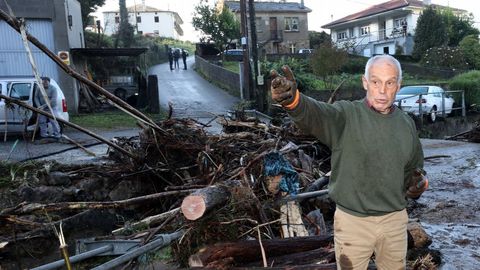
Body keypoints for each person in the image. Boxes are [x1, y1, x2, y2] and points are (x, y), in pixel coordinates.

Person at [270, 54, 428, 270]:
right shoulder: (346, 116)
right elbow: (317, 114)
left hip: (394, 221)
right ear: (365, 83)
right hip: (353, 222)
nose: (382, 90)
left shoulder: (406, 124)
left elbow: (414, 171)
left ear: (398, 86)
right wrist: (293, 100)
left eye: (389, 82)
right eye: (375, 81)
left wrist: (418, 186)